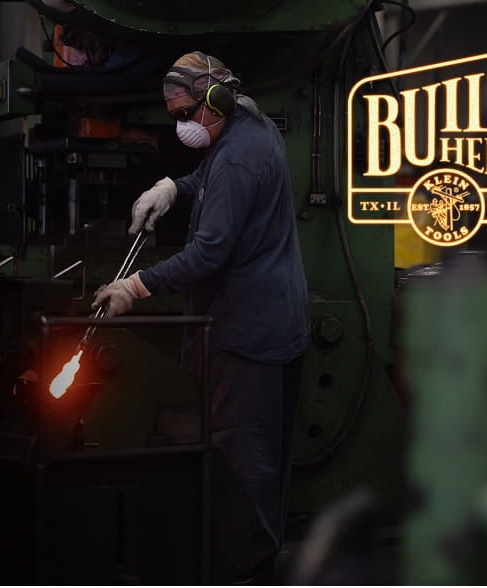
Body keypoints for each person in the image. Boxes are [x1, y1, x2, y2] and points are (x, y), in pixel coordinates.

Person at [92, 50, 310, 582]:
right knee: (260, 464)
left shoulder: (239, 155)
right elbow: (208, 181)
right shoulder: (245, 130)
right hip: (267, 320)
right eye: (175, 116)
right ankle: (253, 558)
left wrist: (135, 286)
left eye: (187, 112)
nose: (182, 124)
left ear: (216, 100)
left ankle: (248, 572)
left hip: (248, 332)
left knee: (246, 467)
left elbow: (209, 253)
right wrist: (172, 187)